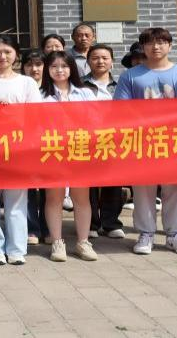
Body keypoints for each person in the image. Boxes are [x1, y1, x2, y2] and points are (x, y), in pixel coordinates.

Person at [114, 28, 177, 256]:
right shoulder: (130, 76)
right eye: (150, 43)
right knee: (143, 189)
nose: (156, 47)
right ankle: (146, 234)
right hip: (142, 140)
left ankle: (175, 235)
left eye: (161, 42)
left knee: (176, 188)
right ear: (143, 47)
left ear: (170, 45)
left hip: (176, 140)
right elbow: (121, 109)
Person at [0, 35, 42, 265]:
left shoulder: (26, 83)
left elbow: (36, 116)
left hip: (18, 147)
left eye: (7, 52)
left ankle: (16, 248)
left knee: (17, 200)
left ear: (16, 55)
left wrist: (12, 114)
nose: (2, 56)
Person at [40, 51, 103, 262]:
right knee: (54, 197)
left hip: (80, 149)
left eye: (64, 66)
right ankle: (57, 242)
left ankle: (83, 242)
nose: (59, 70)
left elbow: (97, 121)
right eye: (54, 66)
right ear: (47, 70)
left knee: (81, 198)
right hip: (52, 150)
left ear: (72, 69)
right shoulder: (40, 95)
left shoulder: (85, 93)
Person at [81, 44, 125, 240]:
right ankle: (91, 223)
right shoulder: (79, 84)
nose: (100, 61)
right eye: (95, 58)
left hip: (113, 138)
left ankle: (111, 223)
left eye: (105, 58)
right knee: (88, 183)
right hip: (86, 137)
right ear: (88, 61)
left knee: (113, 181)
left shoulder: (120, 85)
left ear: (112, 61)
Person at [21, 49, 48, 245]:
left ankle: (48, 228)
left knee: (49, 189)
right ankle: (31, 229)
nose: (34, 69)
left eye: (38, 64)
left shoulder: (52, 88)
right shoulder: (20, 86)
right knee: (28, 189)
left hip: (49, 143)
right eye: (29, 65)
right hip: (25, 144)